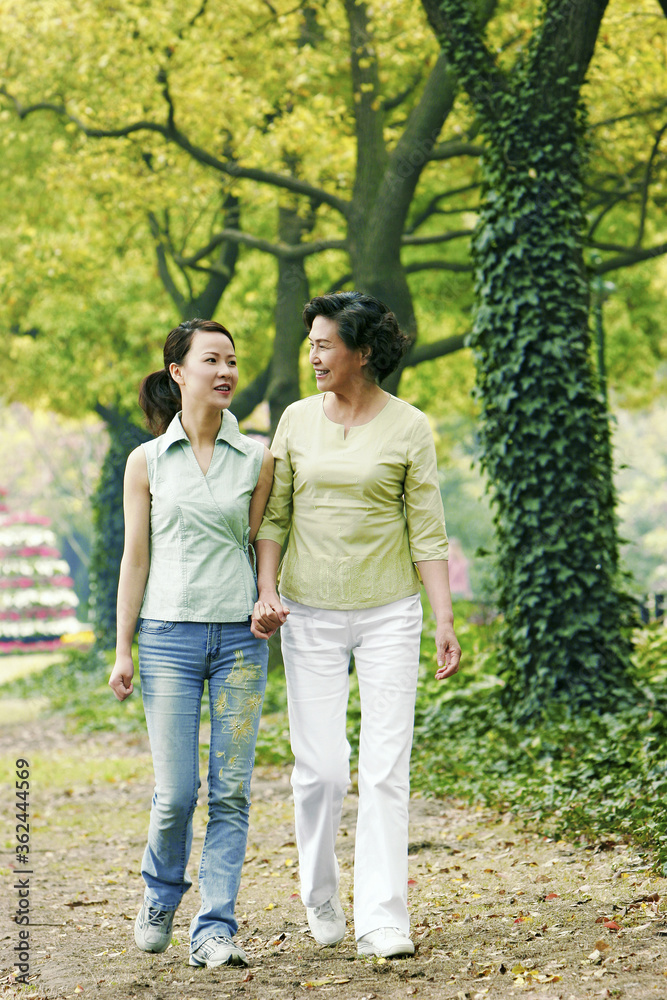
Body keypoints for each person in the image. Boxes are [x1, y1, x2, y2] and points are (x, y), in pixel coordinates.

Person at [251, 291, 462, 959]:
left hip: (388, 614)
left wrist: (443, 620)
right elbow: (274, 518)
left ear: (362, 352)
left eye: (324, 344)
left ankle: (382, 917)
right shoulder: (293, 420)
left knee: (383, 769)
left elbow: (426, 530)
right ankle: (320, 894)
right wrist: (265, 592)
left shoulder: (409, 426)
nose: (312, 355)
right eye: (310, 343)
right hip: (307, 611)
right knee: (320, 772)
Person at [108, 318, 274, 969]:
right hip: (167, 640)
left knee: (231, 790)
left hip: (239, 641)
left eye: (231, 360)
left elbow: (264, 542)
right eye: (213, 360)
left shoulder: (258, 458)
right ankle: (160, 894)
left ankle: (214, 928)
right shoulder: (146, 461)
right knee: (176, 793)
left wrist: (266, 595)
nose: (226, 371)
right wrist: (123, 648)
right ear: (178, 372)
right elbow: (134, 559)